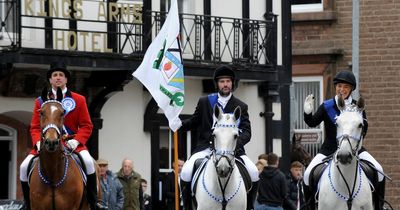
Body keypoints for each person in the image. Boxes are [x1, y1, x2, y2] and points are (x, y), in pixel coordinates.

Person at [19, 61, 102, 210]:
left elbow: (87, 125)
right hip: (46, 143)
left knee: (89, 163)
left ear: (66, 79)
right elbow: (35, 127)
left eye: (61, 75)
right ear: (50, 79)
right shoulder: (40, 101)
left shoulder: (78, 100)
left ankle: (93, 201)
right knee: (24, 166)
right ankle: (27, 203)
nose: (58, 78)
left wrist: (76, 141)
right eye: (54, 75)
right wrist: (38, 142)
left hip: (72, 143)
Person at [175, 65, 259, 210]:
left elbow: (246, 131)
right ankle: (187, 207)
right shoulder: (205, 102)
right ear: (217, 84)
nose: (225, 84)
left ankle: (250, 206)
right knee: (187, 170)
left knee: (254, 172)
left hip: (233, 150)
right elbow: (194, 122)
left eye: (228, 81)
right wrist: (178, 125)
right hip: (206, 148)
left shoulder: (241, 106)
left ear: (232, 83)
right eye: (222, 81)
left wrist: (233, 144)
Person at [302, 70, 385, 210]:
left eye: (346, 87)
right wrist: (307, 113)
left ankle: (379, 205)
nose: (342, 89)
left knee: (378, 169)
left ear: (351, 89)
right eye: (339, 86)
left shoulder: (357, 107)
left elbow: (364, 129)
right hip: (329, 148)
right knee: (307, 174)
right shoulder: (327, 106)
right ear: (336, 87)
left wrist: (355, 147)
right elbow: (312, 123)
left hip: (354, 149)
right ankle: (310, 206)